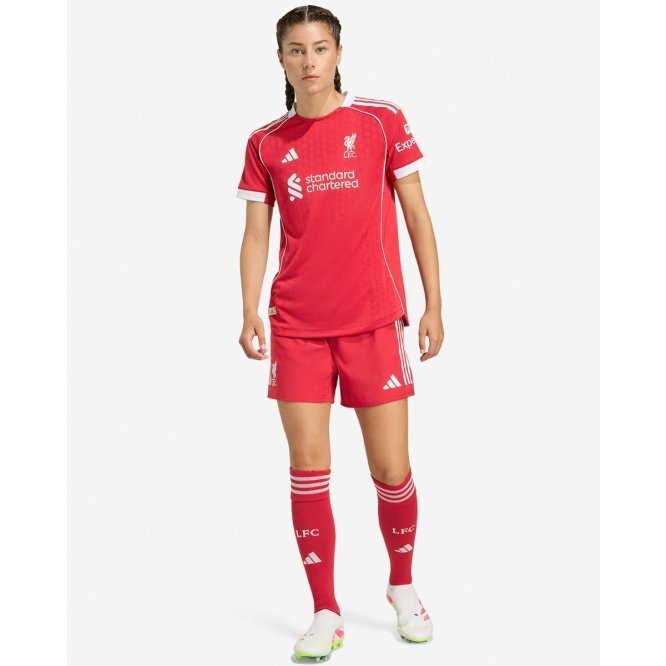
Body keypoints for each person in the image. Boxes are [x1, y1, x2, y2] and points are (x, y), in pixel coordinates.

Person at [236, 5, 444, 661]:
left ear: (339, 53)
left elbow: (416, 213)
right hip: (297, 328)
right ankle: (325, 609)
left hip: (373, 322)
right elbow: (256, 234)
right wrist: (249, 309)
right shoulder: (266, 142)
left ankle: (402, 585)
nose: (309, 61)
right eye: (296, 50)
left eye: (320, 48)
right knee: (308, 469)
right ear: (280, 59)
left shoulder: (381, 121)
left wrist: (434, 305)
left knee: (392, 469)